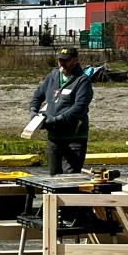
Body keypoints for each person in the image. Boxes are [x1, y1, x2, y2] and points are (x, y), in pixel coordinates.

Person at [30, 46, 93, 176]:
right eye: (60, 60)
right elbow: (37, 96)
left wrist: (56, 120)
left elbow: (78, 108)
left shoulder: (82, 81)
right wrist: (33, 111)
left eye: (66, 60)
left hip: (74, 139)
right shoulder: (52, 76)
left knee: (69, 180)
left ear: (75, 60)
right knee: (53, 177)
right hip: (54, 138)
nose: (62, 63)